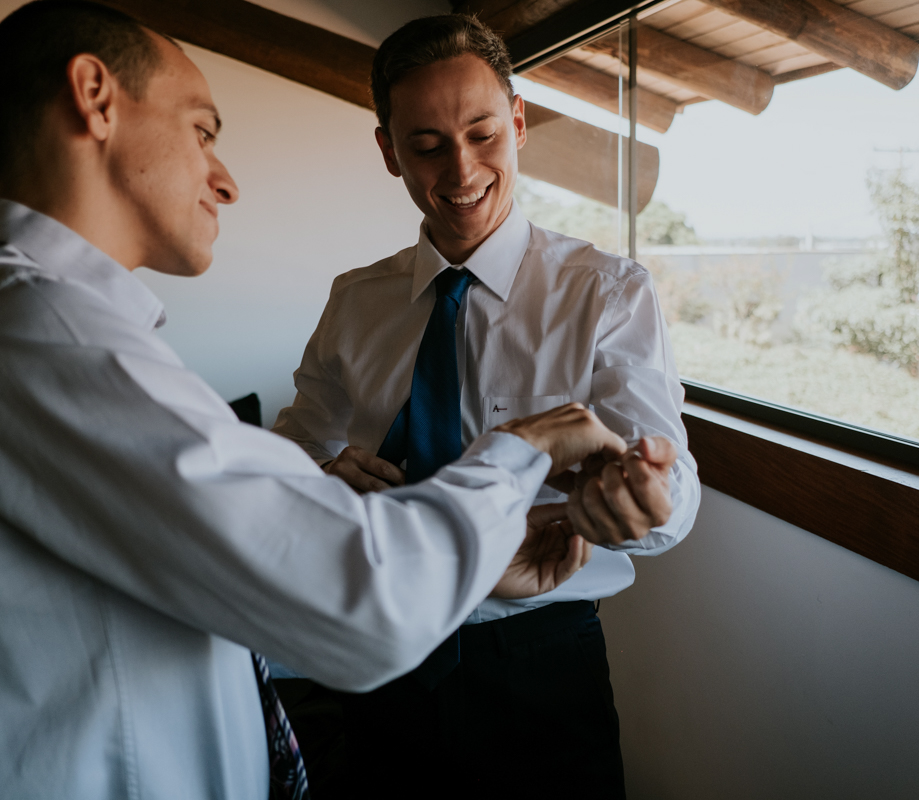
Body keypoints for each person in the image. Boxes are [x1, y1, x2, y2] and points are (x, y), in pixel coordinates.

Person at [0, 3, 631, 799]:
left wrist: (359, 524)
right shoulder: (37, 333)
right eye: (202, 130)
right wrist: (523, 450)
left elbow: (208, 574)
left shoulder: (13, 321)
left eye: (480, 134)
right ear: (95, 95)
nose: (222, 179)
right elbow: (359, 602)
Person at [271, 14, 702, 798]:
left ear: (520, 123)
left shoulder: (606, 293)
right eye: (427, 145)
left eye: (482, 134)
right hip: (383, 647)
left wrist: (644, 502)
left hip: (543, 666)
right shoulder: (355, 301)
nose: (460, 169)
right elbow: (290, 455)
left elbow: (674, 499)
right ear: (387, 150)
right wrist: (323, 479)